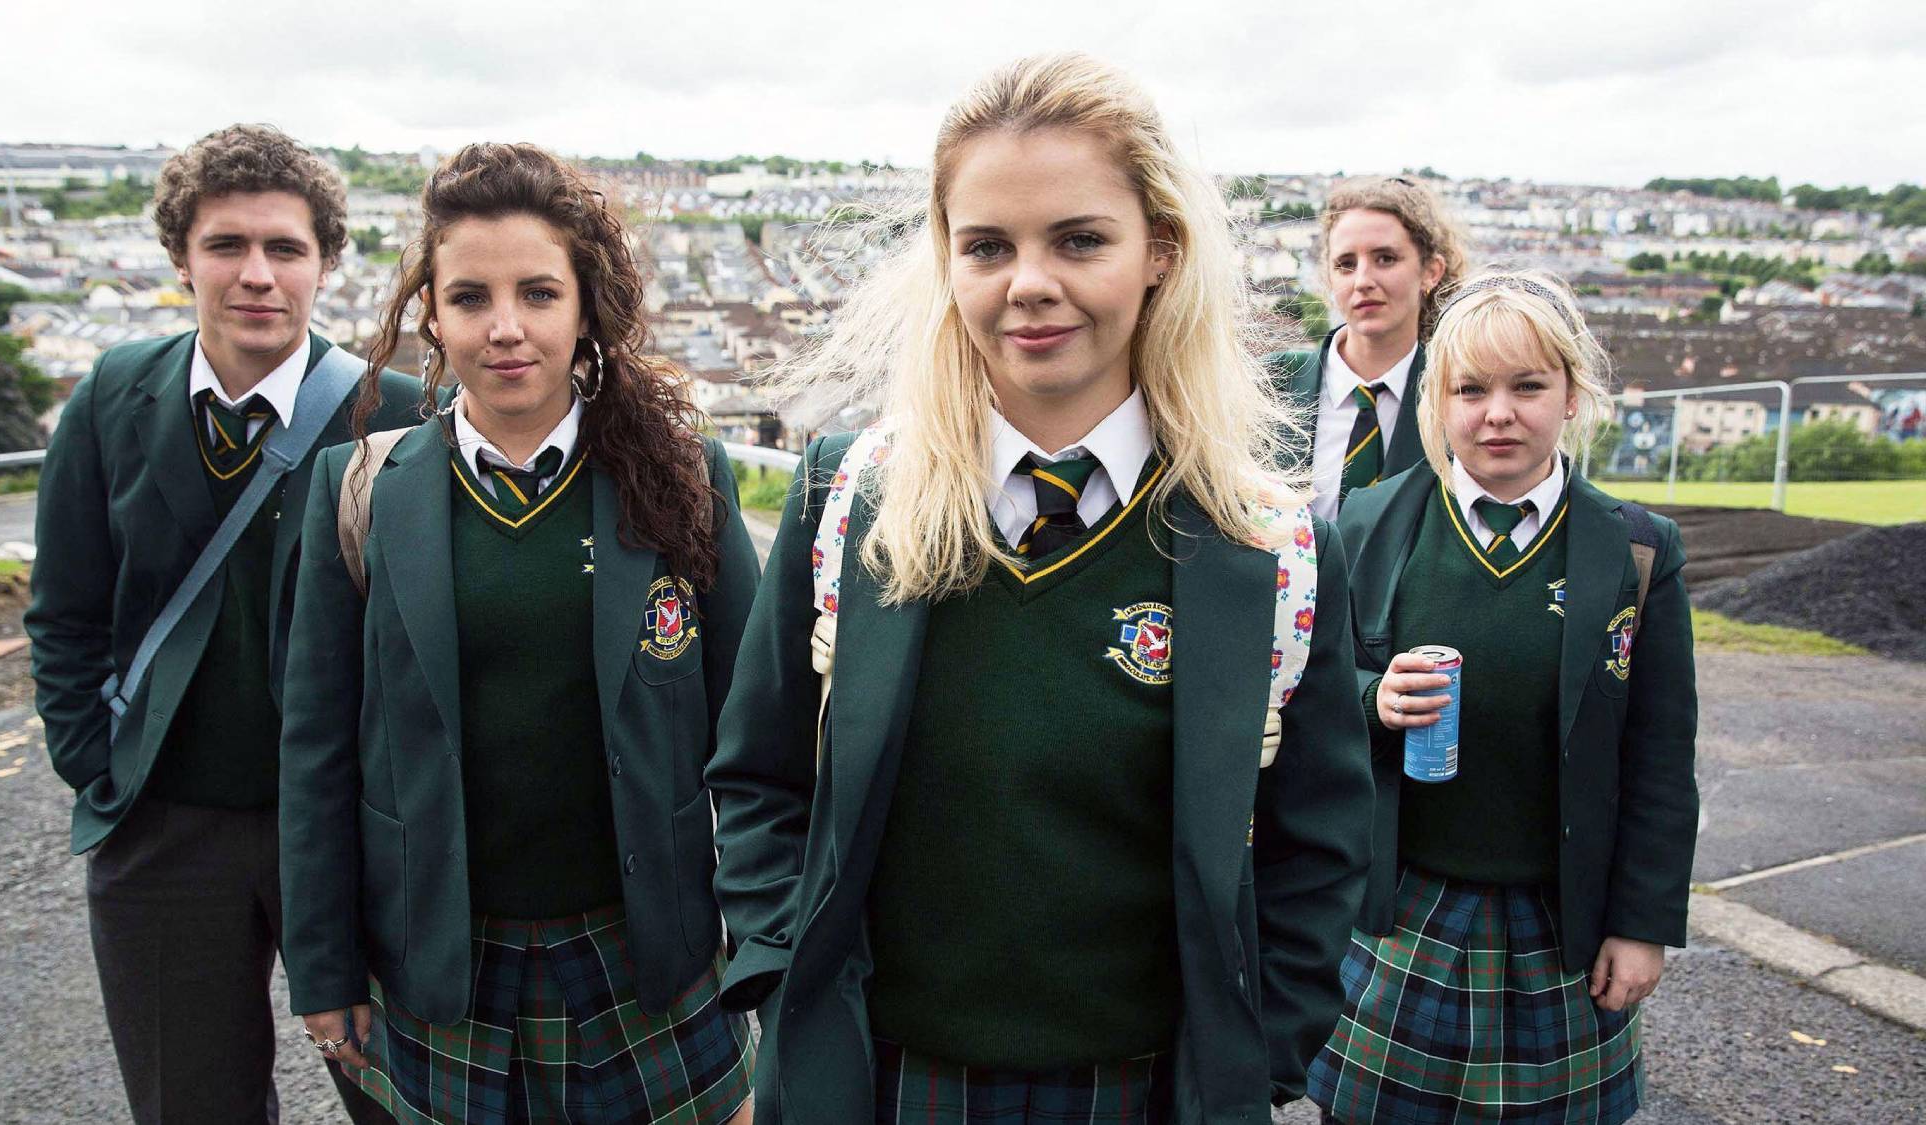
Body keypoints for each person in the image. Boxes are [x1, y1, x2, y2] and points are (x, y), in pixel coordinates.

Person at [706, 54, 1374, 1124]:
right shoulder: (850, 499)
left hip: (1149, 1091)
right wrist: (782, 978)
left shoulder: (1270, 545)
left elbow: (1321, 843)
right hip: (878, 1084)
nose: (1028, 283)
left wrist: (1265, 1047)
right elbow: (761, 777)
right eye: (985, 246)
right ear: (945, 262)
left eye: (1077, 239)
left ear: (1159, 250)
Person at [277, 142, 761, 1125]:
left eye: (538, 293)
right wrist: (323, 969)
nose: (506, 329)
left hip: (651, 956)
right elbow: (317, 753)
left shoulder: (682, 480)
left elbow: (758, 739)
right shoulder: (361, 492)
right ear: (431, 315)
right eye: (470, 298)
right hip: (446, 963)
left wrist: (763, 941)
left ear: (586, 308)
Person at [24, 124, 426, 1125]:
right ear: (178, 257)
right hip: (164, 827)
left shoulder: (399, 413)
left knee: (411, 1103)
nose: (257, 275)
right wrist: (97, 764)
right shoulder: (112, 398)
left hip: (348, 826)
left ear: (327, 263)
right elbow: (66, 612)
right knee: (188, 1101)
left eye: (285, 249)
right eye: (226, 246)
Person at [1307, 271, 1699, 1124]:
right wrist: (1374, 696)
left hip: (1562, 920)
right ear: (1437, 402)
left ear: (1570, 397)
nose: (1498, 414)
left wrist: (1643, 925)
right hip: (1401, 911)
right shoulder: (1373, 523)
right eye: (1471, 389)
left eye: (1528, 386)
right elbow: (1309, 691)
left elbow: (1661, 758)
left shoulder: (1635, 550)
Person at [1273, 177, 1469, 521]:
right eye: (1345, 264)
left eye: (1385, 259)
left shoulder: (1457, 403)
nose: (1363, 280)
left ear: (1431, 272)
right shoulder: (1271, 383)